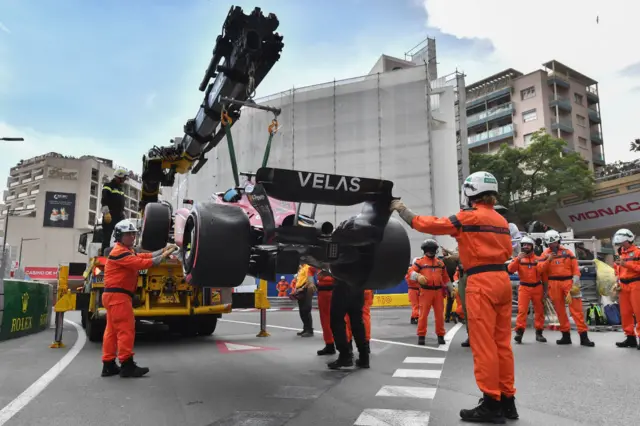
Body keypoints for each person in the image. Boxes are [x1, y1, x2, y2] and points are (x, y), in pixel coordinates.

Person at [390, 171, 518, 422]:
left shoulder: (467, 217)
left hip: (480, 283)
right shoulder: (501, 221)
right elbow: (497, 250)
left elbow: (427, 224)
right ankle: (507, 400)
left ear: (470, 192)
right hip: (502, 281)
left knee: (484, 346)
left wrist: (402, 210)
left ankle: (491, 404)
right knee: (502, 344)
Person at [101, 219, 177, 378]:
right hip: (119, 297)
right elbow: (143, 263)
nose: (132, 237)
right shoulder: (120, 253)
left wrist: (162, 249)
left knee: (112, 331)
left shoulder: (124, 250)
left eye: (133, 234)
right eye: (128, 235)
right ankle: (127, 365)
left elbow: (144, 255)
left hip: (113, 295)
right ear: (119, 236)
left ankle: (108, 365)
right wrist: (164, 255)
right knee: (125, 330)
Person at [538, 230, 594, 347]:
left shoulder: (568, 252)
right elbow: (539, 270)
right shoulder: (544, 255)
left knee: (577, 311)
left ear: (558, 241)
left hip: (569, 282)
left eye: (554, 243)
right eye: (550, 244)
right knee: (560, 311)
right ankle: (565, 336)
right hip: (554, 284)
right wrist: (548, 260)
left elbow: (576, 270)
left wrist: (574, 284)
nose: (552, 246)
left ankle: (584, 337)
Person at [408, 239, 449, 346]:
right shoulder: (420, 262)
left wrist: (450, 288)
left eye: (432, 249)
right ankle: (421, 336)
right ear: (424, 250)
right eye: (428, 249)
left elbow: (445, 278)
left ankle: (440, 335)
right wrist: (418, 276)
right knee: (423, 315)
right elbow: (410, 273)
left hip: (438, 292)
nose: (430, 251)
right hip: (425, 292)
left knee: (439, 315)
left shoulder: (440, 263)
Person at [509, 236, 547, 344]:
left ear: (532, 247)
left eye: (528, 245)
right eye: (523, 245)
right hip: (524, 287)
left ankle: (539, 333)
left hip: (537, 287)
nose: (525, 247)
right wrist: (517, 259)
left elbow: (544, 276)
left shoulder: (539, 259)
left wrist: (545, 291)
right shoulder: (519, 259)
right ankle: (519, 333)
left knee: (539, 311)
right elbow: (510, 270)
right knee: (522, 311)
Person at [328, 278, 369, 370]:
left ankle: (345, 355)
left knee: (336, 321)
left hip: (342, 284)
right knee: (357, 321)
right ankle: (364, 357)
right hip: (358, 286)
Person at [611, 228, 640, 348]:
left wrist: (626, 264)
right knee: (625, 313)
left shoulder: (638, 252)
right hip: (623, 286)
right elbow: (617, 269)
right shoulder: (619, 252)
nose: (622, 245)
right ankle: (630, 338)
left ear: (628, 240)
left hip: (636, 284)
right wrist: (617, 281)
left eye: (623, 242)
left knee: (639, 312)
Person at [100, 168, 129, 255]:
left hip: (119, 216)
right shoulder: (108, 185)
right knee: (107, 237)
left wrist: (123, 214)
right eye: (123, 178)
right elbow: (104, 200)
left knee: (121, 237)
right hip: (110, 214)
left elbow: (121, 203)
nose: (124, 180)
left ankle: (120, 254)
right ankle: (104, 255)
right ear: (119, 177)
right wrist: (106, 213)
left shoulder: (120, 189)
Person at [315, 268, 337, 355]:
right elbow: (310, 269)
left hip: (336, 290)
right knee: (325, 320)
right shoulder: (318, 263)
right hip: (324, 293)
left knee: (341, 320)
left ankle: (346, 349)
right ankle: (330, 344)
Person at [292, 264, 315, 337]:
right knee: (302, 310)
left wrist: (302, 287)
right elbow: (299, 280)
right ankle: (305, 329)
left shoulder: (308, 267)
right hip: (300, 290)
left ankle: (309, 330)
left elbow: (310, 280)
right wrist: (296, 289)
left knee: (306, 309)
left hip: (306, 289)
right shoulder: (301, 268)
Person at [405, 258, 421, 324]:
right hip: (414, 290)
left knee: (416, 305)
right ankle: (415, 317)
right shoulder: (414, 272)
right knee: (416, 305)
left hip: (413, 290)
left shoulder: (410, 271)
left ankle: (414, 317)